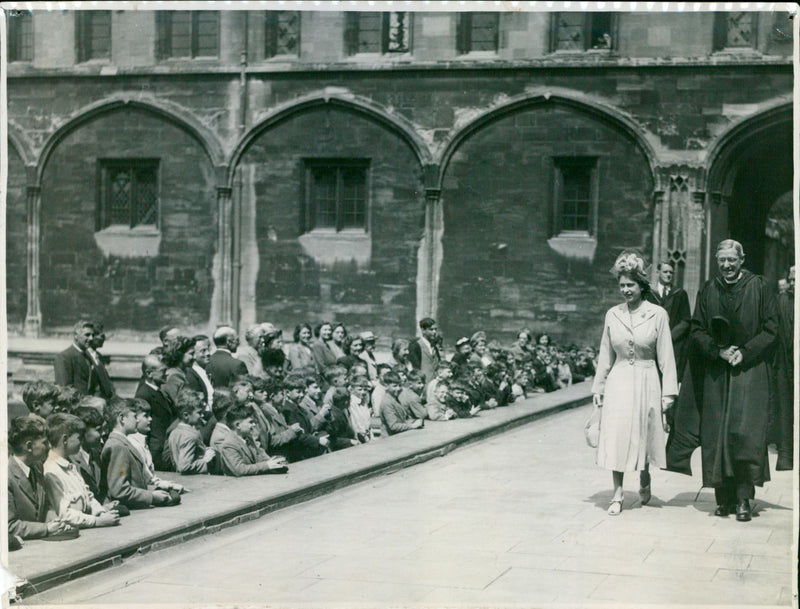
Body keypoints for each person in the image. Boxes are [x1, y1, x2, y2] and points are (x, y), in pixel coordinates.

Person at [669, 240, 778, 522]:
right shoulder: (709, 288)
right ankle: (723, 498)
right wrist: (717, 351)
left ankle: (743, 499)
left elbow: (771, 329)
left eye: (732, 260)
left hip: (749, 370)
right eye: (722, 261)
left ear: (742, 259)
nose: (727, 265)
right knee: (716, 433)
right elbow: (696, 328)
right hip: (717, 371)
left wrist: (745, 352)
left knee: (745, 433)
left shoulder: (760, 287)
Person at [592, 251, 678, 516]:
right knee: (616, 434)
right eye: (622, 285)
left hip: (647, 376)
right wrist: (599, 387)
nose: (626, 290)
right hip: (619, 379)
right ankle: (617, 493)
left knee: (643, 431)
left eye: (630, 285)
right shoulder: (612, 314)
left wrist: (669, 394)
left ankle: (644, 474)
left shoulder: (658, 314)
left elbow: (666, 355)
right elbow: (605, 352)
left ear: (642, 286)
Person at [43, 413, 121, 529]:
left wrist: (101, 513)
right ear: (65, 439)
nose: (81, 441)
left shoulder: (70, 466)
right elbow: (64, 514)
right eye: (79, 437)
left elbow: (88, 496)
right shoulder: (51, 471)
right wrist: (96, 521)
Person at [100, 398, 178, 510]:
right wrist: (151, 496)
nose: (137, 421)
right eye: (134, 416)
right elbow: (119, 490)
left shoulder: (122, 443)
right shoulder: (117, 446)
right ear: (122, 418)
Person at [9, 415, 72, 541]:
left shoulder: (37, 467)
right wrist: (46, 528)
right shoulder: (7, 477)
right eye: (44, 442)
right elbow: (9, 527)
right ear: (29, 447)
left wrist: (55, 520)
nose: (49, 446)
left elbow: (45, 505)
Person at [646, 260, 692, 380]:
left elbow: (686, 320)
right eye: (665, 271)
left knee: (670, 377)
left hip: (673, 344)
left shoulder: (680, 294)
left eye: (671, 272)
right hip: (651, 342)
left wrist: (670, 337)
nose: (668, 275)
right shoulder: (649, 293)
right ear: (658, 272)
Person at [216, 405, 289, 477]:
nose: (254, 424)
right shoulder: (229, 445)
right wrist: (267, 465)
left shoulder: (248, 437)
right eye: (250, 422)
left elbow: (260, 456)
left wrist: (274, 461)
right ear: (238, 425)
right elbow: (240, 470)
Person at [134, 354, 177, 471]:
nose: (166, 374)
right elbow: (140, 426)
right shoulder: (144, 394)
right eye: (163, 371)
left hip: (162, 448)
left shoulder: (158, 391)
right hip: (156, 451)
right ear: (149, 373)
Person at [771, 265, 794, 471]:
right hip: (785, 364)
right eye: (792, 280)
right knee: (785, 410)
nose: (793, 284)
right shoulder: (783, 302)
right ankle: (786, 455)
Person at [166, 390, 216, 475]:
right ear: (186, 415)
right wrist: (205, 460)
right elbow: (184, 467)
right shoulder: (190, 436)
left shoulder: (174, 432)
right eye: (199, 413)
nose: (202, 415)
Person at [53, 320, 98, 395]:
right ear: (76, 336)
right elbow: (64, 390)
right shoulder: (64, 357)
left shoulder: (89, 357)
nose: (91, 338)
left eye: (93, 335)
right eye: (87, 335)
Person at [408, 318, 441, 384]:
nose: (434, 332)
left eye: (435, 329)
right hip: (424, 383)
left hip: (435, 384)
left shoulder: (434, 347)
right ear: (423, 330)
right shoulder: (415, 346)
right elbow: (416, 368)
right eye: (431, 330)